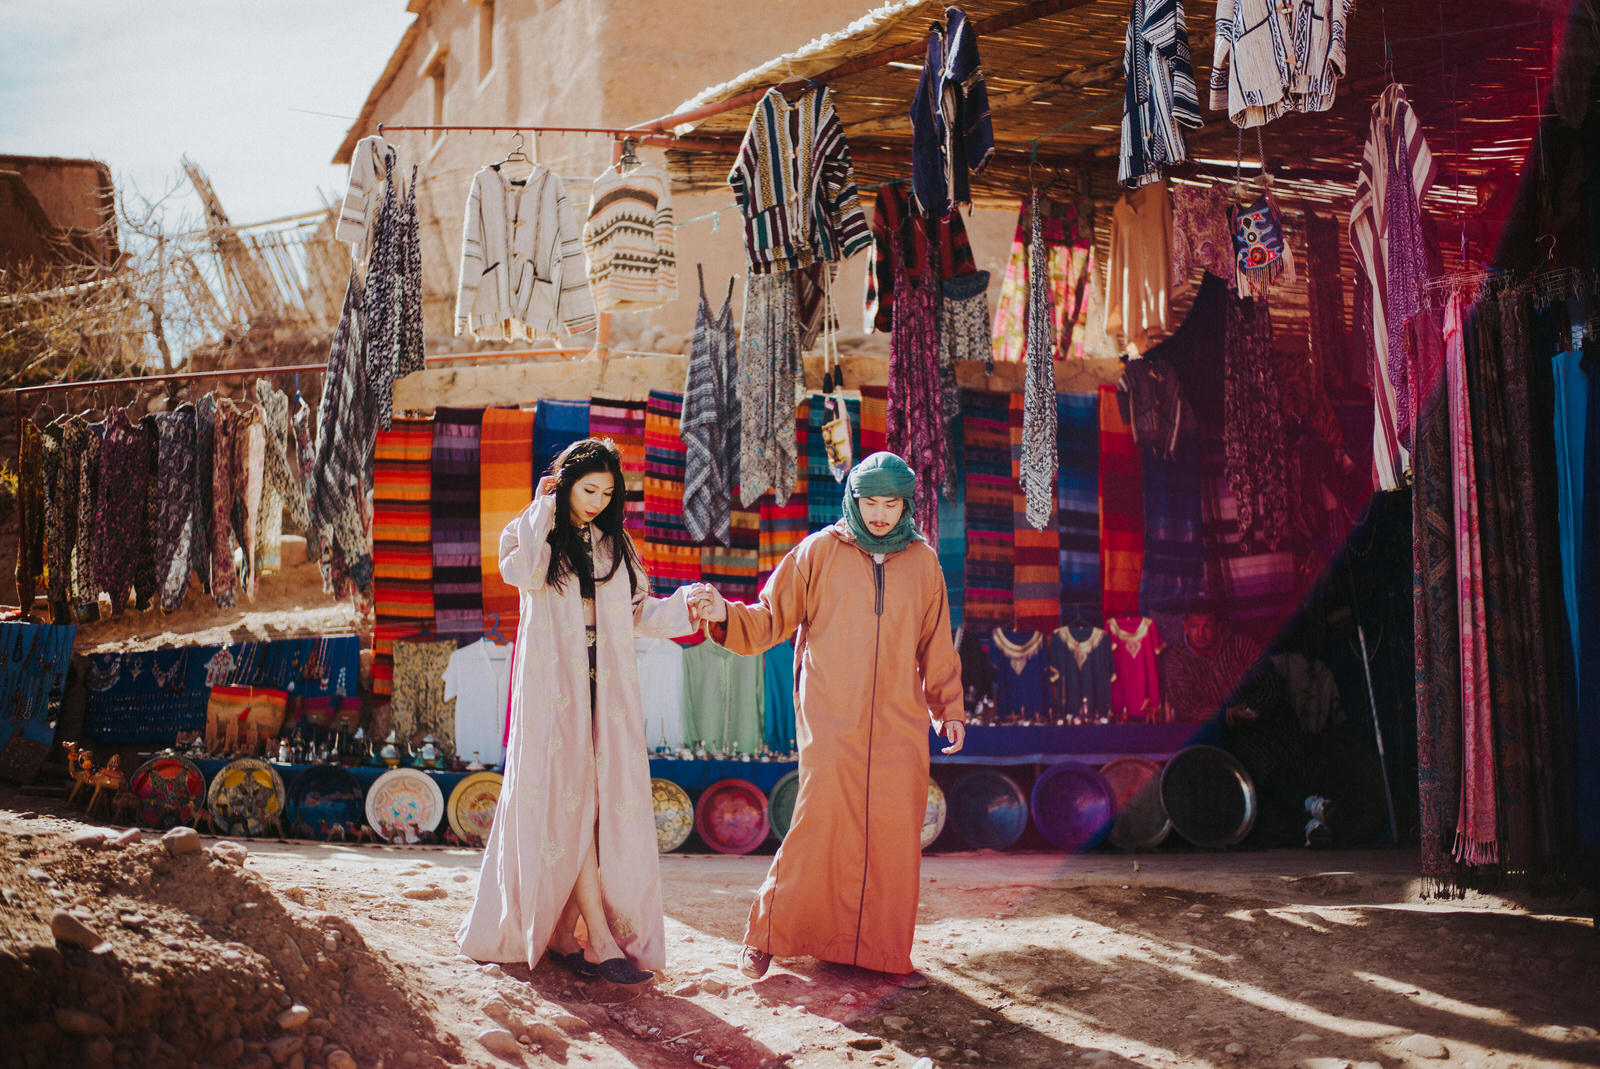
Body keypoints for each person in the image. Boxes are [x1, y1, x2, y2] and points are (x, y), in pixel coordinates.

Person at [688, 451, 966, 989]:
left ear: (906, 505)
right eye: (871, 502)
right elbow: (771, 617)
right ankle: (767, 936)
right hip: (831, 717)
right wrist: (725, 614)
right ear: (853, 500)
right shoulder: (818, 551)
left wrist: (947, 707)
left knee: (893, 834)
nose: (880, 514)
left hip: (900, 722)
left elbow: (936, 641)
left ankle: (881, 954)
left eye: (891, 504)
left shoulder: (923, 562)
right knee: (819, 825)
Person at [457, 438, 696, 984]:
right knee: (570, 802)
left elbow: (638, 612)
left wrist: (689, 606)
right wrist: (541, 509)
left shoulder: (615, 545)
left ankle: (573, 935)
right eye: (588, 490)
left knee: (597, 805)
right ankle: (600, 942)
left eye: (607, 494)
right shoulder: (530, 532)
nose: (597, 502)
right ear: (563, 484)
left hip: (605, 692)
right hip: (553, 691)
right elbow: (524, 573)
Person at [1162, 603, 1332, 846]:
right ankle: (1310, 812)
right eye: (1195, 627)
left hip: (1263, 719)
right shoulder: (1177, 658)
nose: (1201, 633)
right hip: (1219, 734)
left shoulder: (1240, 645)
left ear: (1218, 627)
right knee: (1255, 760)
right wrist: (1227, 715)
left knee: (1288, 749)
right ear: (1186, 627)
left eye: (1207, 627)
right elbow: (1185, 703)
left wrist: (1253, 711)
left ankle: (1312, 814)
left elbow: (1270, 682)